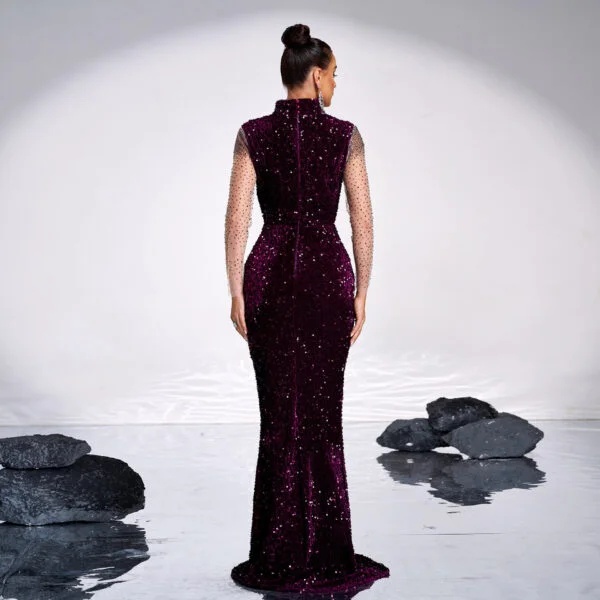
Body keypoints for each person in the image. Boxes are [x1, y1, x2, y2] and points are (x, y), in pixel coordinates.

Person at [225, 23, 390, 595]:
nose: (337, 83)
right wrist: (363, 289)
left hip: (268, 275)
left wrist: (236, 289)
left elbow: (238, 217)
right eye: (335, 74)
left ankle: (275, 553)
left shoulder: (252, 133)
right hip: (325, 276)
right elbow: (362, 219)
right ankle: (325, 550)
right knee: (321, 416)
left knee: (278, 417)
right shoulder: (346, 136)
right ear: (316, 76)